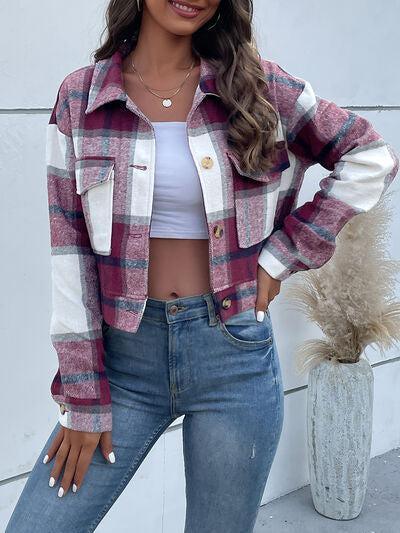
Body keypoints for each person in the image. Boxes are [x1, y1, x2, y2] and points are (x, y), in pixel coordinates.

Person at [6, 0, 399, 531]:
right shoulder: (83, 96)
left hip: (233, 357)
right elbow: (69, 251)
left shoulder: (258, 86)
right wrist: (82, 396)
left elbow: (369, 156)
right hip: (124, 365)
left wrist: (280, 258)